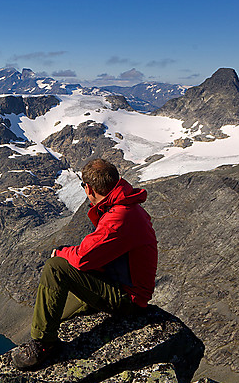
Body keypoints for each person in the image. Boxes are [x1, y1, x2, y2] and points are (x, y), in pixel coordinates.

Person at [11, 158, 158, 370]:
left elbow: (82, 258)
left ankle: (44, 344)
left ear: (88, 188)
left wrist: (60, 253)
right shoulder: (124, 207)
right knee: (58, 312)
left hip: (128, 297)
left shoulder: (119, 216)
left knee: (56, 267)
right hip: (118, 283)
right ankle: (48, 330)